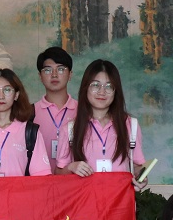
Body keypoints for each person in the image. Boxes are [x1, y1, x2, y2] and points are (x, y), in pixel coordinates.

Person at [56, 59, 147, 189]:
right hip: (85, 199)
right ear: (85, 88)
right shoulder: (70, 129)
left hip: (120, 199)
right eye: (95, 85)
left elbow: (137, 165)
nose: (102, 92)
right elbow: (58, 173)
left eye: (109, 86)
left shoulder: (130, 125)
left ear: (116, 91)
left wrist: (141, 177)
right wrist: (71, 167)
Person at [0, 68, 52, 180]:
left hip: (21, 192)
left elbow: (41, 179)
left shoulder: (31, 132)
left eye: (7, 90)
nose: (1, 96)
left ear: (16, 95)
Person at [33, 47, 78, 161]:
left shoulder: (82, 110)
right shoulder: (30, 113)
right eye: (48, 70)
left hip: (73, 172)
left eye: (61, 69)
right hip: (40, 173)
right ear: (40, 76)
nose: (54, 75)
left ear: (70, 74)